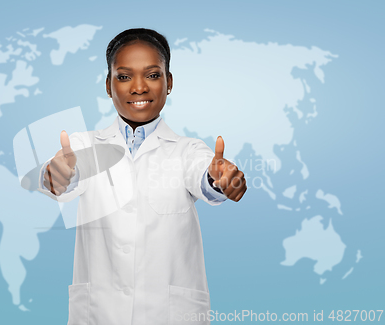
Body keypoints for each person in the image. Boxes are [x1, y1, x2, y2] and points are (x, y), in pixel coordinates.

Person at [38, 28, 247, 325]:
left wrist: (221, 180)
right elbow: (67, 173)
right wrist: (58, 175)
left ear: (169, 82)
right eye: (123, 77)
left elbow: (203, 174)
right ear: (109, 86)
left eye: (152, 75)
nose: (139, 87)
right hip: (99, 313)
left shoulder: (187, 150)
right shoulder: (84, 145)